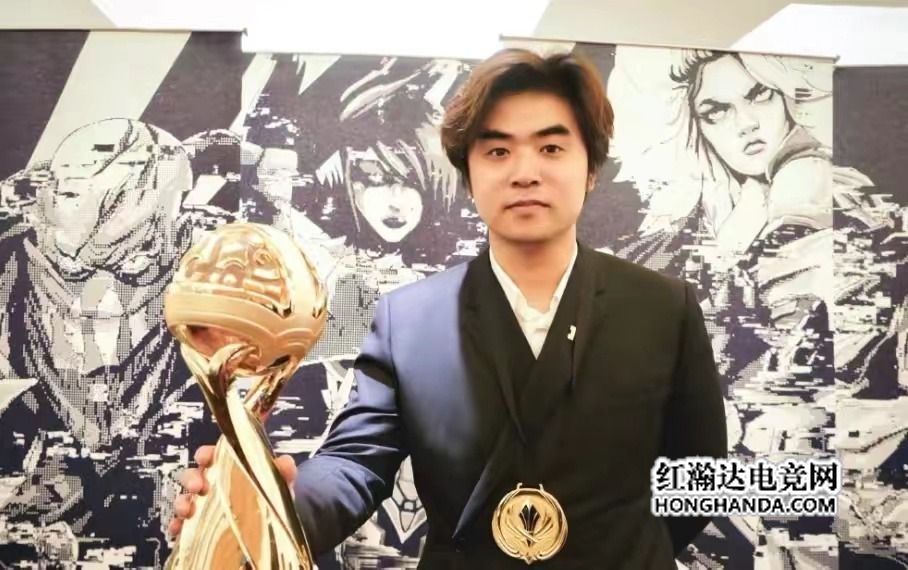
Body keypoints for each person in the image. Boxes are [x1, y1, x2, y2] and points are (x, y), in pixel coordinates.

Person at [170, 47, 727, 568]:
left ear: (591, 168)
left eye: (551, 148)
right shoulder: (410, 319)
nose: (525, 171)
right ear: (468, 175)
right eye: (498, 150)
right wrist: (273, 505)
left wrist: (624, 547)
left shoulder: (663, 307)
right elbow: (356, 462)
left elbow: (696, 476)